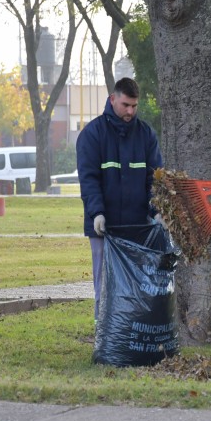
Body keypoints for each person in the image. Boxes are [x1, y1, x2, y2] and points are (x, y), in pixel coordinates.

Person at [76, 77, 162, 320]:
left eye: (134, 106)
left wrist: (157, 210)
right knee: (104, 285)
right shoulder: (93, 134)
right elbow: (89, 179)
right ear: (113, 99)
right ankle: (105, 336)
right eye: (125, 105)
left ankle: (131, 339)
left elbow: (154, 177)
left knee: (138, 286)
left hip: (138, 226)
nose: (130, 111)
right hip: (104, 226)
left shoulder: (145, 134)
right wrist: (97, 213)